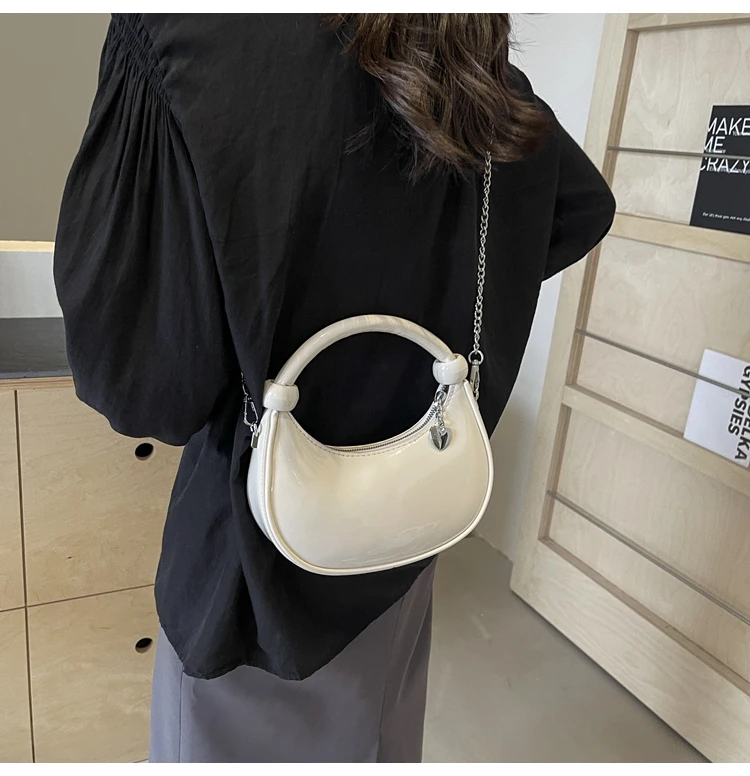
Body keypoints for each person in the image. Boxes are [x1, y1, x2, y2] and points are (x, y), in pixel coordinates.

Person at [54, 13, 615, 763]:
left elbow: (146, 388)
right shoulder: (474, 70)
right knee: (376, 737)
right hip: (407, 526)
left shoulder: (186, 36)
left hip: (249, 562)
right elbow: (582, 207)